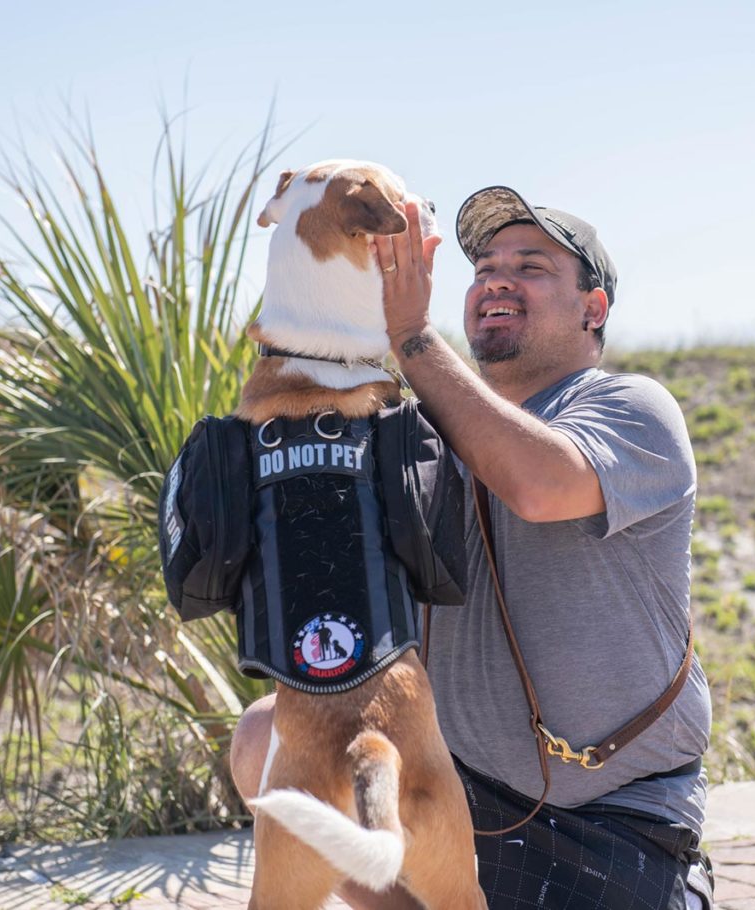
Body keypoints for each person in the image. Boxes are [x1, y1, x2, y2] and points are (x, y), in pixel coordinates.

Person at [231, 187, 713, 910]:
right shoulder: (417, 430)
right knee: (261, 736)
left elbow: (539, 484)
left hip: (611, 818)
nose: (496, 278)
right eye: (484, 265)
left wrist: (413, 338)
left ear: (594, 309)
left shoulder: (630, 407)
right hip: (460, 793)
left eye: (532, 266)